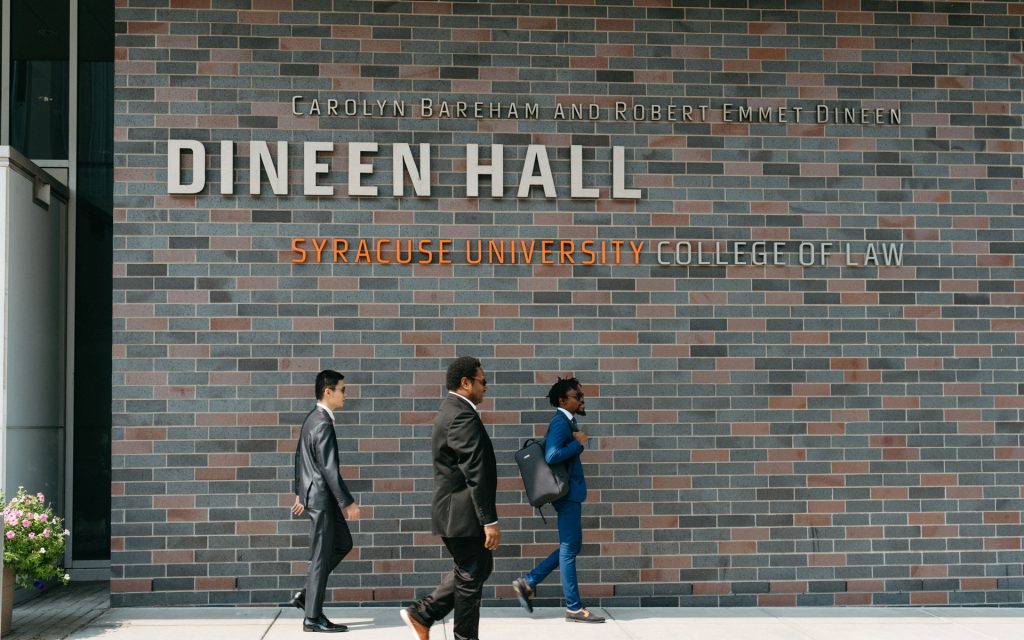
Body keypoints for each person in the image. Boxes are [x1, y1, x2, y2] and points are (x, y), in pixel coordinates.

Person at [400, 356, 500, 640]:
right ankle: (453, 631)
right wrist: (489, 520)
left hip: (456, 513)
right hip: (462, 514)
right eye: (483, 381)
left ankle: (423, 614)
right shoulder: (461, 415)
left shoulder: (453, 410)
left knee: (475, 568)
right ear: (466, 382)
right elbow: (476, 471)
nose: (487, 387)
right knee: (471, 575)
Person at [511, 377, 604, 623]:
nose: (583, 400)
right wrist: (579, 443)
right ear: (563, 400)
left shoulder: (565, 422)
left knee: (570, 546)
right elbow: (552, 455)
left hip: (568, 494)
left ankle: (529, 582)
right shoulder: (561, 422)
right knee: (569, 549)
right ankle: (573, 607)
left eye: (582, 396)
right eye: (578, 396)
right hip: (567, 494)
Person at [290, 369, 362, 633]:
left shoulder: (313, 418)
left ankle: (307, 596)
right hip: (322, 498)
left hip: (315, 495)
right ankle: (312, 617)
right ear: (328, 391)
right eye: (342, 389)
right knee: (320, 556)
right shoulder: (322, 422)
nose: (345, 394)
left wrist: (299, 492)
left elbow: (299, 457)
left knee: (343, 543)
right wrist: (348, 502)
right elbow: (329, 468)